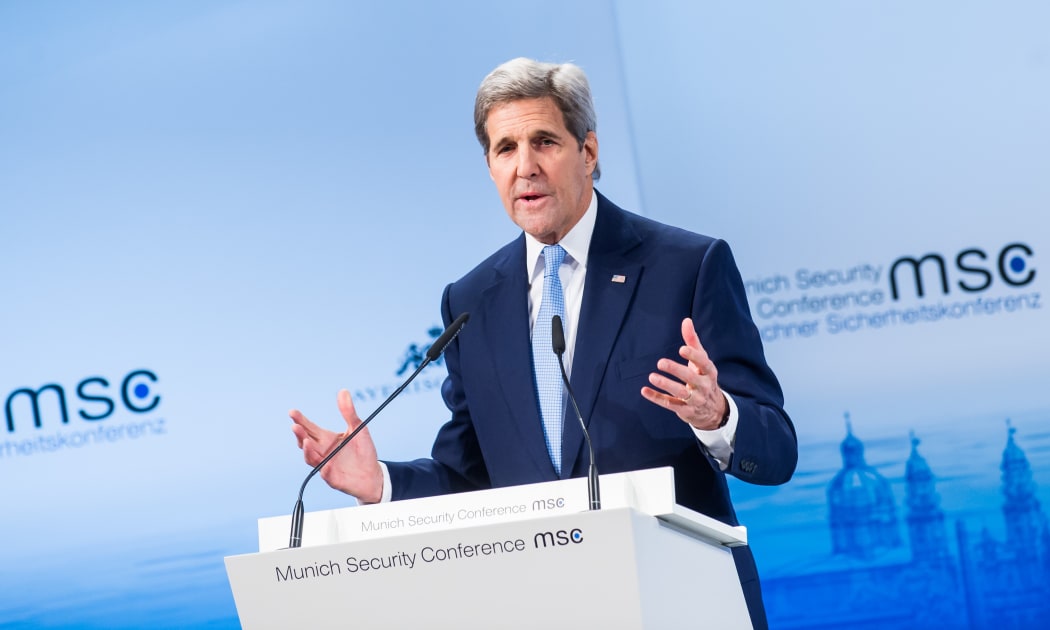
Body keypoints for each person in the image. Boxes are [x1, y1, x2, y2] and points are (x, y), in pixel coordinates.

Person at [290, 57, 797, 628]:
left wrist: (718, 416)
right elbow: (470, 476)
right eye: (505, 148)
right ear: (489, 166)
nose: (524, 167)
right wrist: (378, 481)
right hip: (544, 606)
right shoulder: (470, 300)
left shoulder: (686, 266)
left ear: (588, 151)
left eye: (544, 142)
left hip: (683, 598)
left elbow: (775, 451)